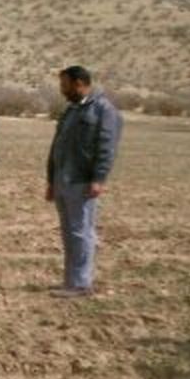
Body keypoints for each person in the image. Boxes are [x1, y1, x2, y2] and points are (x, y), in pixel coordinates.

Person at [44, 65, 122, 297]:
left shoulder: (103, 110)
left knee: (81, 232)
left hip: (82, 182)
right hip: (62, 181)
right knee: (69, 233)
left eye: (64, 85)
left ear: (79, 83)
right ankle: (71, 281)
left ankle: (80, 284)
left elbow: (107, 148)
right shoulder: (70, 111)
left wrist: (99, 178)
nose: (62, 90)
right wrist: (51, 180)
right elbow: (57, 147)